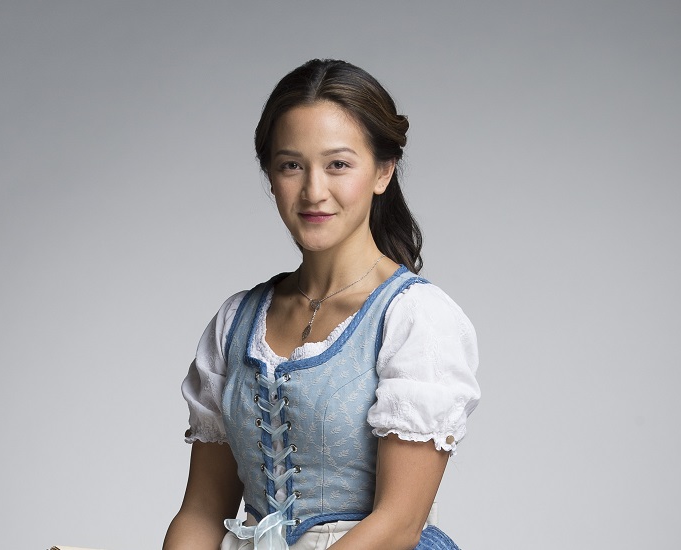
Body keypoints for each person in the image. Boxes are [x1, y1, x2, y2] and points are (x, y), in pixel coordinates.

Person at [163, 59, 480, 550]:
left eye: (338, 165)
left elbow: (399, 524)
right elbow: (202, 512)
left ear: (383, 171)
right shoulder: (235, 322)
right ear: (271, 176)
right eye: (291, 165)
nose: (313, 191)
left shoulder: (415, 318)